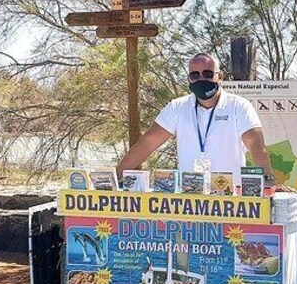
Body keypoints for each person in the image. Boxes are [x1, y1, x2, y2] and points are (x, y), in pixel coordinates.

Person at [117, 53, 276, 186]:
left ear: (220, 77)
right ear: (189, 79)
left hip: (230, 202)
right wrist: (116, 178)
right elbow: (147, 143)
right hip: (190, 202)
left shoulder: (239, 106)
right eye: (195, 75)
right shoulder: (177, 108)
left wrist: (269, 183)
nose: (201, 79)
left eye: (207, 74)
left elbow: (256, 145)